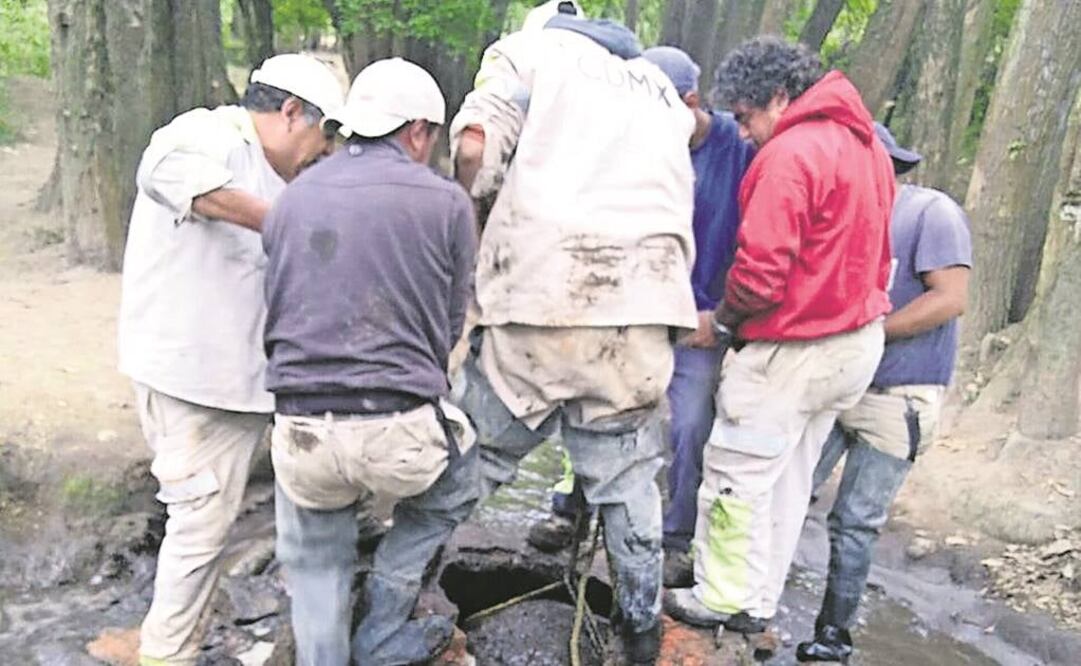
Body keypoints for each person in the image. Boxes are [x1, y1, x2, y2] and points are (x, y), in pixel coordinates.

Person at [449, 3, 698, 663]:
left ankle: (398, 604)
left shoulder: (525, 57)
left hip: (540, 295)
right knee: (628, 490)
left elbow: (475, 144)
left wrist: (467, 226)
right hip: (643, 306)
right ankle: (640, 640)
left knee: (472, 462)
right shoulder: (656, 86)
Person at [116, 54, 343, 665]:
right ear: (291, 112)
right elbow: (170, 178)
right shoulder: (206, 134)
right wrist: (287, 223)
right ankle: (167, 655)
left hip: (259, 384)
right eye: (325, 134)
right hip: (194, 379)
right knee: (199, 528)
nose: (326, 150)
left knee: (327, 494)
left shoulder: (297, 174)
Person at [664, 36, 895, 635]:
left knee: (736, 469)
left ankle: (719, 595)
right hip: (855, 341)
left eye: (745, 118)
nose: (741, 134)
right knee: (789, 478)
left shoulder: (791, 153)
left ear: (778, 97)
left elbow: (762, 270)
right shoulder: (864, 142)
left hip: (794, 345)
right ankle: (757, 597)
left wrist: (723, 322)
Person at [261, 58, 479, 666]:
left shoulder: (289, 200)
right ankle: (383, 629)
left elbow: (277, 319)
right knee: (462, 480)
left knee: (312, 554)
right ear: (416, 131)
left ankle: (323, 655)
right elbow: (448, 327)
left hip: (301, 431)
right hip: (399, 433)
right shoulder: (447, 204)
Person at [525, 46, 756, 593]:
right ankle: (571, 507)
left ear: (690, 103)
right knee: (594, 402)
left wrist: (724, 317)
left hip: (700, 313)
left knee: (690, 423)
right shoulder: (624, 138)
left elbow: (756, 235)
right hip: (629, 305)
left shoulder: (736, 149)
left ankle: (675, 539)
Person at [796, 123, 972, 663]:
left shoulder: (930, 212)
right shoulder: (840, 215)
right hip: (835, 383)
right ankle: (749, 603)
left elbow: (951, 298)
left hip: (899, 395)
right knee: (785, 488)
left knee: (855, 520)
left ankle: (834, 637)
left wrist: (870, 330)